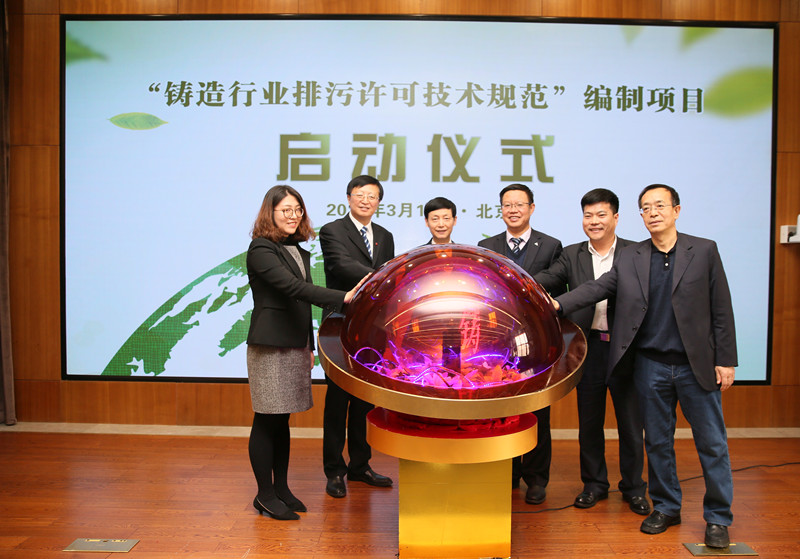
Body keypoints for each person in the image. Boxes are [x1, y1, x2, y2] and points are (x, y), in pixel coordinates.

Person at [553, 184, 736, 549]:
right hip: (651, 365)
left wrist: (726, 359)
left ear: (676, 210)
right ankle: (666, 508)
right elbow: (598, 288)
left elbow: (721, 307)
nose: (653, 213)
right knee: (657, 444)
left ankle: (718, 518)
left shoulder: (703, 250)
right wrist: (555, 305)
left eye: (659, 206)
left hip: (695, 365)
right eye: (646, 208)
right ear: (640, 215)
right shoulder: (632, 256)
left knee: (712, 444)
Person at [246, 185, 363, 520]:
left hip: (295, 345)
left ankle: (281, 489)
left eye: (298, 210)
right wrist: (342, 298)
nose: (293, 216)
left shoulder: (298, 250)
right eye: (286, 210)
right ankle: (264, 494)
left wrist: (309, 346)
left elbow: (300, 306)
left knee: (282, 420)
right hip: (270, 346)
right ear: (270, 213)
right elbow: (293, 288)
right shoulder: (261, 249)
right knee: (267, 419)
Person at [534, 188, 648, 515]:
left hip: (625, 350)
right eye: (588, 215)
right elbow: (547, 279)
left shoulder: (635, 253)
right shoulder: (571, 255)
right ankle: (594, 484)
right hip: (589, 348)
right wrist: (515, 282)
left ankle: (633, 487)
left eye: (601, 215)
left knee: (630, 424)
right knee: (589, 423)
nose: (594, 221)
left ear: (615, 217)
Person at [478, 183, 563, 505]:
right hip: (498, 345)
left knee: (539, 411)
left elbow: (557, 281)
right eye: (507, 205)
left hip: (538, 343)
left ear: (531, 208)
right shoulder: (487, 246)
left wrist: (519, 286)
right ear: (501, 209)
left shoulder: (551, 245)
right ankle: (508, 472)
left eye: (519, 204)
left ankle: (537, 478)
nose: (513, 210)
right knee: (502, 411)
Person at [319, 175, 395, 498]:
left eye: (372, 196)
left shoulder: (385, 236)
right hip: (340, 325)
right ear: (349, 197)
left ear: (379, 202)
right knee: (338, 401)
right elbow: (341, 265)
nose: (366, 201)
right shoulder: (332, 230)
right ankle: (334, 470)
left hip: (373, 327)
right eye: (360, 195)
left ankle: (360, 465)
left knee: (365, 400)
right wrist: (383, 277)